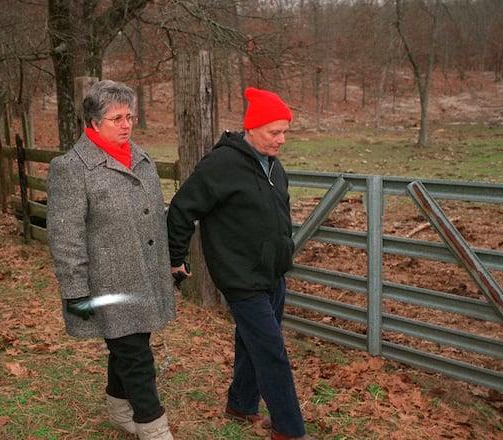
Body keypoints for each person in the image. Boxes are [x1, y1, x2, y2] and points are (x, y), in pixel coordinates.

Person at [166, 87, 314, 440]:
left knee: (254, 343)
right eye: (274, 132)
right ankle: (290, 430)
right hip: (240, 276)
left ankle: (241, 404)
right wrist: (175, 257)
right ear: (252, 128)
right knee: (271, 350)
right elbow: (181, 209)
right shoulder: (221, 165)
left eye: (284, 133)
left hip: (272, 273)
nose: (281, 140)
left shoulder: (274, 167)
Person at [46, 80, 176, 440]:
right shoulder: (72, 168)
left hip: (144, 277)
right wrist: (74, 290)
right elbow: (64, 235)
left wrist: (171, 263)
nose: (126, 124)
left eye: (129, 116)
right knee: (136, 357)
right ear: (93, 122)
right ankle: (154, 428)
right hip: (107, 283)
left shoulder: (141, 159)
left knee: (131, 346)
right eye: (116, 118)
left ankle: (120, 411)